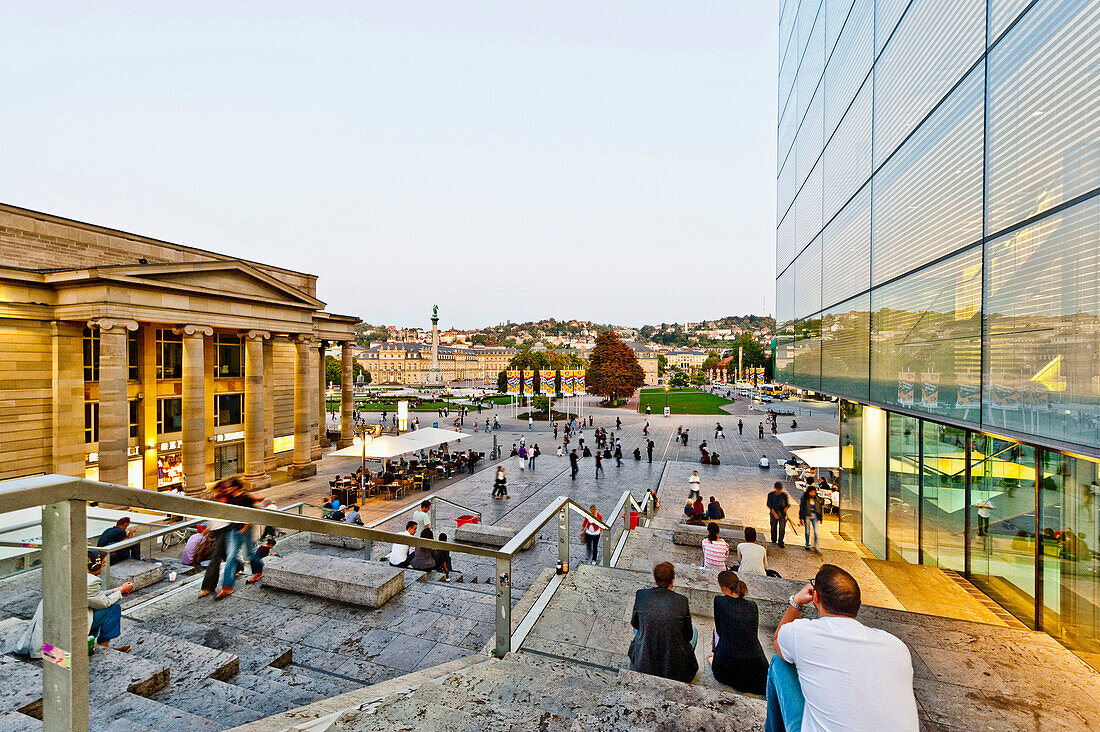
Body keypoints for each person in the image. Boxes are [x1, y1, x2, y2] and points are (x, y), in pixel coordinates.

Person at [766, 565, 919, 732]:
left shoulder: (804, 633)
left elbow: (777, 639)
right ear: (857, 605)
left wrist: (796, 602)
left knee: (779, 664)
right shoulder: (896, 646)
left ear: (815, 597)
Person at [628, 562, 698, 683]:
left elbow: (635, 624)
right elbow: (688, 635)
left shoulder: (642, 595)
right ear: (672, 581)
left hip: (645, 660)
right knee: (694, 630)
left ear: (656, 579)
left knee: (641, 627)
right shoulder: (682, 601)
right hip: (673, 666)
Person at [710, 570, 767, 694]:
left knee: (715, 632)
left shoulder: (719, 601)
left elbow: (719, 631)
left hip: (726, 666)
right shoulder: (752, 606)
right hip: (755, 668)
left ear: (724, 588)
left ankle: (715, 656)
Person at [87, 550, 134, 652]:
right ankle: (103, 649)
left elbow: (92, 596)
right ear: (95, 566)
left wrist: (115, 590)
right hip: (72, 625)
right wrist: (121, 591)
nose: (104, 566)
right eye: (103, 564)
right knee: (113, 609)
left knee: (96, 611)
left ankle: (92, 645)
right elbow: (104, 603)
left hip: (55, 625)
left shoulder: (76, 574)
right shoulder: (91, 581)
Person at [799, 485, 823, 552]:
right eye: (811, 492)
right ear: (808, 492)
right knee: (807, 531)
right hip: (807, 516)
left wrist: (820, 518)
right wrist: (801, 518)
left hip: (815, 517)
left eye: (814, 492)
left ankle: (816, 546)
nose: (813, 494)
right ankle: (807, 544)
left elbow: (820, 508)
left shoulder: (817, 499)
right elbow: (802, 508)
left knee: (816, 532)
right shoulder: (804, 499)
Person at [767, 482, 790, 547]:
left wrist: (786, 508)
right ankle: (773, 540)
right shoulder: (771, 495)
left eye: (780, 489)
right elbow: (769, 505)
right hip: (774, 514)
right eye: (778, 489)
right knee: (773, 527)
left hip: (782, 514)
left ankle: (780, 541)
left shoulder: (784, 495)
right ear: (775, 488)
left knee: (782, 528)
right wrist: (774, 514)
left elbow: (787, 504)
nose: (779, 491)